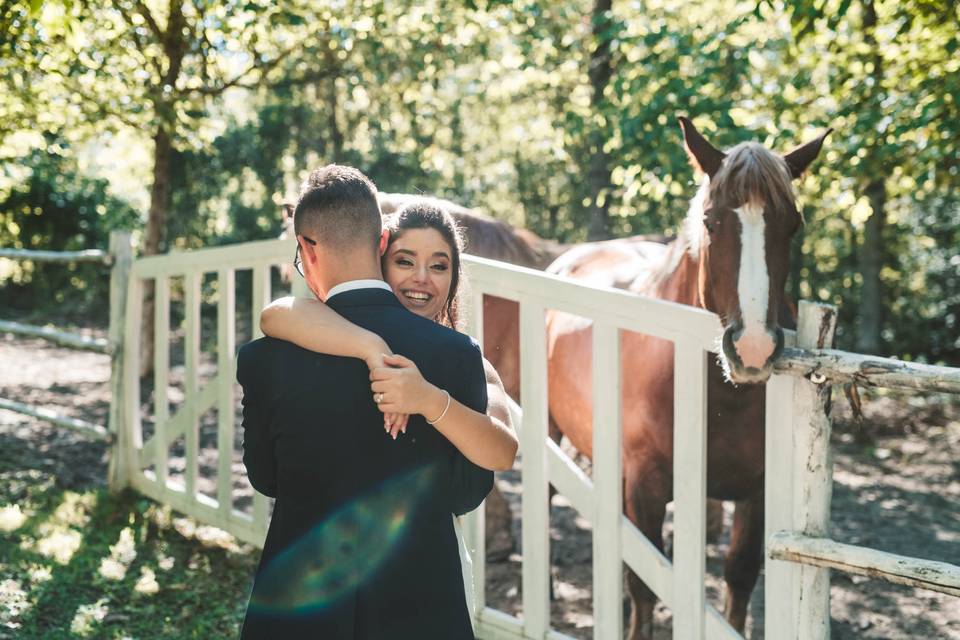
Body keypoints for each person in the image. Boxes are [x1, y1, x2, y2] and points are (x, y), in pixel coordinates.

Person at [237, 165, 496, 640]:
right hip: (422, 610)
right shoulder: (458, 355)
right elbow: (467, 491)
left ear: (307, 250)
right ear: (382, 245)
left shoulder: (263, 358)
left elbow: (265, 477)